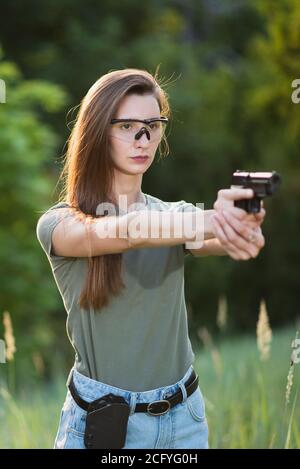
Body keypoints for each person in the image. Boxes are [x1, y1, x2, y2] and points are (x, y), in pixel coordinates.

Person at [36, 68, 265, 449]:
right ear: (97, 131)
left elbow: (220, 240)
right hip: (103, 424)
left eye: (152, 125)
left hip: (183, 421)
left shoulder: (172, 217)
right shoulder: (59, 223)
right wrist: (214, 218)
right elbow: (128, 231)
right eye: (126, 126)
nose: (143, 139)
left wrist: (244, 222)